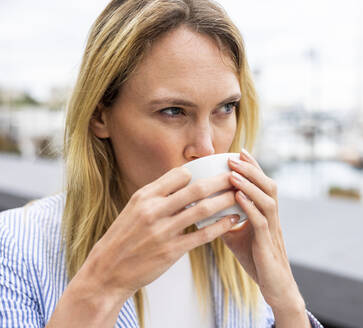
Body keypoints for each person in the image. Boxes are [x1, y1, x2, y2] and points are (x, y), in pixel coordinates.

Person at [0, 0, 324, 327]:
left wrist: (287, 302)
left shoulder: (237, 255)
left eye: (225, 108)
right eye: (173, 111)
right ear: (100, 116)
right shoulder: (17, 250)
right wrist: (100, 288)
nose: (207, 147)